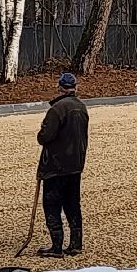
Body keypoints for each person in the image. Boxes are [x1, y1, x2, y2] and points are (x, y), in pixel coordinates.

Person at [36, 71, 88, 257]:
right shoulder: (81, 107)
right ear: (75, 87)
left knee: (51, 205)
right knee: (73, 204)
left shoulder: (57, 109)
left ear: (59, 87)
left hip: (56, 166)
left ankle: (56, 246)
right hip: (75, 165)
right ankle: (75, 244)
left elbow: (45, 137)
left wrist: (41, 132)